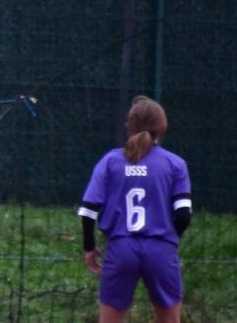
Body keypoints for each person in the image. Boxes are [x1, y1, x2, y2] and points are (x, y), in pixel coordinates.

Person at [78, 95, 192, 323]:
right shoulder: (175, 164)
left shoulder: (110, 161)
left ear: (129, 127)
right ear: (163, 127)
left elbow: (89, 210)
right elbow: (183, 214)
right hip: (160, 249)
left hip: (121, 249)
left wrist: (89, 248)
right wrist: (169, 241)